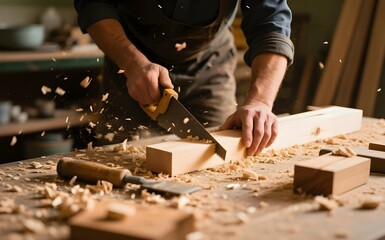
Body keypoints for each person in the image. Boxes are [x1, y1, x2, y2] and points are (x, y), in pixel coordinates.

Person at [74, 0, 294, 156]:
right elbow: (94, 4)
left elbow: (270, 23)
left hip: (208, 70)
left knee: (220, 161)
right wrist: (132, 64)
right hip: (130, 68)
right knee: (117, 160)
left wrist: (260, 102)